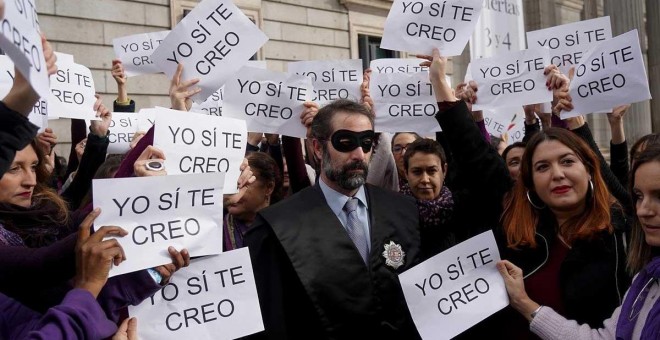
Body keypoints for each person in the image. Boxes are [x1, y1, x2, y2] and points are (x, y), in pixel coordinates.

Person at [498, 143, 660, 339]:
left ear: (589, 170)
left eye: (567, 161)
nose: (643, 210)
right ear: (530, 182)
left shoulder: (622, 234)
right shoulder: (646, 280)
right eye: (638, 196)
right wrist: (524, 302)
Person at [223, 151, 283, 251]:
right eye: (230, 183)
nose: (233, 191)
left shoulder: (286, 230)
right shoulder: (214, 231)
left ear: (269, 187)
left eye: (243, 183)